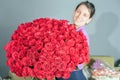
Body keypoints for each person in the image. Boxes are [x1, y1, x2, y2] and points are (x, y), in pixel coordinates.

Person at [56, 1, 95, 80]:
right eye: (78, 12)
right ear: (74, 12)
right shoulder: (66, 29)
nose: (80, 16)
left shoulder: (83, 35)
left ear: (89, 20)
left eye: (85, 15)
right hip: (61, 72)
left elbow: (79, 60)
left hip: (72, 75)